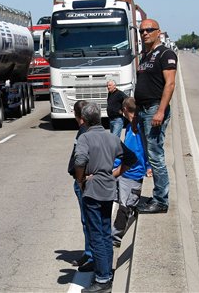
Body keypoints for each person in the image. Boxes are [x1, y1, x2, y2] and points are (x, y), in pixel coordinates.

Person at [74, 102, 137, 293]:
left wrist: (81, 180)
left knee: (96, 236)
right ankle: (106, 273)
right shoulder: (111, 137)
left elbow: (79, 160)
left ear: (83, 120)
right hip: (108, 190)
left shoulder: (85, 138)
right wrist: (114, 174)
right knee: (104, 232)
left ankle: (102, 280)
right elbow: (131, 158)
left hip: (93, 191)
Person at [134, 19, 178, 214]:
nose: (145, 33)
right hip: (143, 109)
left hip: (154, 109)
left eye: (149, 30)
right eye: (142, 30)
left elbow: (169, 84)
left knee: (155, 155)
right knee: (150, 155)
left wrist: (161, 110)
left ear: (158, 32)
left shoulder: (166, 54)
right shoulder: (144, 56)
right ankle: (157, 196)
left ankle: (161, 200)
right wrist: (135, 113)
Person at [112, 97, 152, 247]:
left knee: (125, 206)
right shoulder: (134, 126)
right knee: (124, 203)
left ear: (125, 111)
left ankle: (115, 238)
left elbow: (132, 152)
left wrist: (147, 166)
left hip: (132, 173)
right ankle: (116, 236)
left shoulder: (136, 128)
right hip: (129, 172)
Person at [67, 100, 92, 272]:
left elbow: (80, 159)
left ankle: (91, 256)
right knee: (87, 220)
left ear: (79, 116)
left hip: (83, 182)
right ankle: (88, 252)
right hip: (82, 180)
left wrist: (80, 180)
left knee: (88, 220)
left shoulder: (84, 132)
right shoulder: (85, 130)